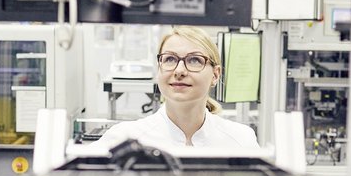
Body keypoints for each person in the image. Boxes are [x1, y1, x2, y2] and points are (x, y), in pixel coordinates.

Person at [95, 26, 259, 149]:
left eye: (194, 60)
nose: (179, 70)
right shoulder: (123, 139)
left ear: (215, 75)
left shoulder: (241, 141)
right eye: (170, 59)